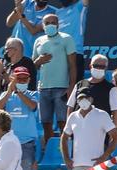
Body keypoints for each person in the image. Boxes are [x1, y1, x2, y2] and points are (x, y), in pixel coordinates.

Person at [62, 87, 117, 170]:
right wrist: (66, 158)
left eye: (85, 98)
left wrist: (104, 156)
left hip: (95, 164)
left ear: (91, 99)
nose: (83, 101)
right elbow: (64, 137)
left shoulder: (102, 115)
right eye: (80, 98)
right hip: (77, 164)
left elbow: (115, 136)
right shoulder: (73, 116)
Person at [32, 13, 77, 143]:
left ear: (58, 24)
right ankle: (49, 153)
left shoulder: (66, 38)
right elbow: (33, 65)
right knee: (46, 123)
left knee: (63, 122)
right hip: (43, 88)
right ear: (43, 25)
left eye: (53, 22)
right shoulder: (38, 41)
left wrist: (71, 87)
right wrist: (39, 61)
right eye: (47, 23)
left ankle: (65, 151)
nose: (50, 25)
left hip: (61, 87)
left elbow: (73, 66)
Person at [0, 66, 40, 170]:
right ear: (13, 80)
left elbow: (32, 106)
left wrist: (18, 92)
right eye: (18, 79)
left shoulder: (33, 94)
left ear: (29, 80)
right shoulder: (6, 95)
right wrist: (9, 92)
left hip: (26, 144)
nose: (22, 81)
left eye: (25, 79)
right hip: (9, 143)